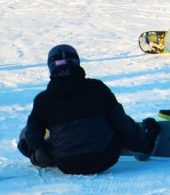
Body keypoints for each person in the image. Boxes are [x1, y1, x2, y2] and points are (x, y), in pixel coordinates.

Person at [17, 44, 160, 174]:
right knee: (115, 120)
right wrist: (145, 146)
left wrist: (32, 151)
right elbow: (122, 122)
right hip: (104, 158)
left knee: (49, 143)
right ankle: (140, 147)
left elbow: (35, 141)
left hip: (67, 163)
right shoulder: (97, 88)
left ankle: (38, 156)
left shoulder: (43, 100)